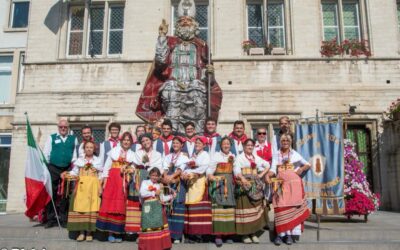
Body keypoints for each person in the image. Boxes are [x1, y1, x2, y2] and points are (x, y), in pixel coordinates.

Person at [135, 0, 222, 133]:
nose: (185, 24)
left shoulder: (201, 46)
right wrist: (162, 37)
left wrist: (210, 74)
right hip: (174, 84)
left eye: (188, 22)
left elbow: (206, 75)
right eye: (182, 22)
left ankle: (198, 137)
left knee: (198, 102)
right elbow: (160, 60)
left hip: (195, 85)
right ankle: (173, 137)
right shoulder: (170, 43)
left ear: (194, 26)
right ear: (178, 26)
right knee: (172, 101)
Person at [272, 134, 310, 246]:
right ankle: (279, 234)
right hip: (280, 183)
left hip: (294, 184)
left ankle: (289, 235)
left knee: (291, 208)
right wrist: (268, 175)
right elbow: (272, 168)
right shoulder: (276, 154)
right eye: (283, 140)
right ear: (280, 142)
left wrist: (301, 169)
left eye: (287, 140)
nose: (285, 142)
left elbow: (308, 164)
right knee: (280, 207)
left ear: (290, 142)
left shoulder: (294, 154)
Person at [96, 132, 135, 243]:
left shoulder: (132, 154)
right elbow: (107, 167)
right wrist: (103, 182)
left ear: (131, 142)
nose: (126, 142)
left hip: (123, 181)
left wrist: (129, 170)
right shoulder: (114, 151)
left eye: (128, 140)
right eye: (124, 140)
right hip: (112, 181)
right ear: (121, 141)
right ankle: (110, 233)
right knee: (110, 206)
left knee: (120, 207)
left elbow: (133, 168)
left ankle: (118, 233)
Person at [234, 139, 271, 244]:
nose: (250, 147)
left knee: (255, 209)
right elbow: (236, 170)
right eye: (248, 145)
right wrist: (243, 178)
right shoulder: (239, 157)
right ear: (244, 146)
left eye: (251, 145)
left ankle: (253, 233)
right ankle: (245, 234)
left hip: (255, 186)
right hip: (244, 186)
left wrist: (260, 175)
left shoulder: (255, 158)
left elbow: (267, 165)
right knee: (245, 209)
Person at [43, 118, 78, 228]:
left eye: (65, 127)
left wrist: (73, 169)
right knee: (51, 193)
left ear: (68, 128)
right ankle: (50, 218)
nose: (63, 128)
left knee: (65, 194)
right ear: (58, 127)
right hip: (53, 168)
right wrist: (47, 168)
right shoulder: (51, 137)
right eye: (61, 127)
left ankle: (63, 219)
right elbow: (46, 153)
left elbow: (75, 155)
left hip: (67, 168)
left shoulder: (73, 139)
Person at [64, 141, 102, 242]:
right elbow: (74, 172)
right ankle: (81, 233)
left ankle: (89, 233)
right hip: (82, 187)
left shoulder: (98, 161)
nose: (89, 149)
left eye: (91, 147)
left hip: (93, 187)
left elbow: (101, 175)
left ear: (94, 149)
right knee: (81, 209)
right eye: (87, 147)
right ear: (84, 149)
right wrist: (67, 174)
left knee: (91, 209)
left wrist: (100, 187)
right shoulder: (80, 161)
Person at [125, 133, 162, 234]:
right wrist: (131, 169)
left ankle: (147, 229)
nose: (145, 142)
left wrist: (152, 174)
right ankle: (136, 230)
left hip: (151, 179)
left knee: (148, 202)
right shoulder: (138, 153)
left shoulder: (157, 154)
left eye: (147, 140)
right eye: (143, 141)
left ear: (151, 141)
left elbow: (158, 168)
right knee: (137, 203)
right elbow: (134, 165)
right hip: (139, 177)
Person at [182, 136, 212, 243]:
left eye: (200, 143)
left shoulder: (205, 155)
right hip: (192, 182)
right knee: (191, 206)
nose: (197, 144)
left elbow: (204, 167)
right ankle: (192, 233)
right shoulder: (194, 155)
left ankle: (200, 233)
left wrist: (192, 172)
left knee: (200, 207)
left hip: (199, 181)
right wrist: (187, 172)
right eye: (196, 143)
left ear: (204, 145)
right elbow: (189, 166)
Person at [207, 137, 236, 247]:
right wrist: (210, 176)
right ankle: (218, 236)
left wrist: (239, 176)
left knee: (228, 209)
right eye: (224, 144)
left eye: (228, 144)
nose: (226, 145)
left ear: (230, 145)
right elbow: (210, 169)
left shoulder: (233, 156)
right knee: (218, 210)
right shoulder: (216, 156)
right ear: (221, 145)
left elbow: (236, 169)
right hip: (218, 184)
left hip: (229, 184)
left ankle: (228, 235)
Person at [162, 136, 189, 244]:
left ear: (181, 145)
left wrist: (171, 177)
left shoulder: (184, 157)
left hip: (178, 183)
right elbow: (164, 168)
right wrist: (165, 177)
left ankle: (177, 236)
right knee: (168, 206)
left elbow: (180, 169)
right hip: (168, 182)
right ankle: (168, 234)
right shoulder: (168, 156)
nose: (175, 145)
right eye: (174, 143)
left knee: (177, 207)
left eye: (177, 143)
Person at [138, 168, 173, 250]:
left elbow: (162, 198)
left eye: (156, 176)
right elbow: (142, 193)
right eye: (153, 175)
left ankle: (158, 246)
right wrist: (154, 192)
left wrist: (171, 196)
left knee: (158, 227)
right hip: (148, 208)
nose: (154, 177)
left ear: (158, 177)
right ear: (149, 175)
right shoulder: (145, 182)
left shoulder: (159, 185)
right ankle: (147, 246)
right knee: (148, 226)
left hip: (157, 208)